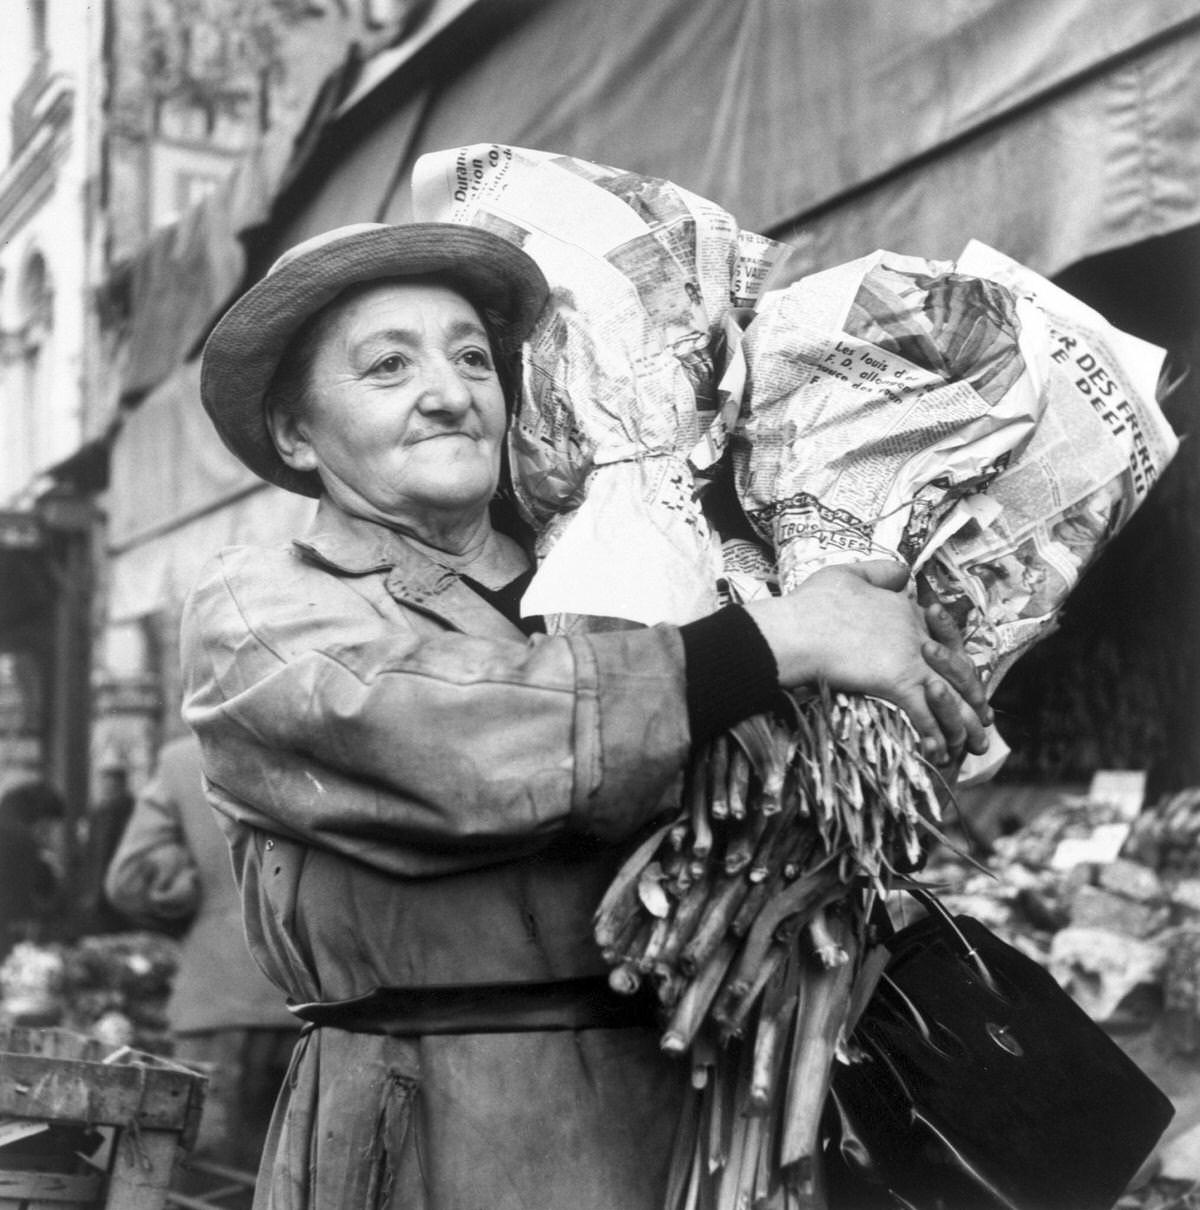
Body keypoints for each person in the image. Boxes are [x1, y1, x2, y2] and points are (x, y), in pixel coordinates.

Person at [181, 221, 991, 1210]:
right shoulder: (263, 607)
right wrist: (781, 643)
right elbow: (451, 740)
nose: (449, 391)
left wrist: (880, 710)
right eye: (388, 365)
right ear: (296, 432)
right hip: (421, 1132)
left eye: (473, 356)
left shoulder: (631, 582)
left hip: (677, 1123)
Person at [104, 734, 297, 1173]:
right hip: (324, 1001)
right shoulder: (327, 744)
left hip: (217, 998)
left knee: (212, 1182)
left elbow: (128, 880)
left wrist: (184, 883)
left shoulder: (187, 758)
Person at [0, 780, 64, 961]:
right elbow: (25, 897)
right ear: (41, 816)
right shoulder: (22, 841)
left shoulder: (7, 826)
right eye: (49, 824)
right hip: (11, 932)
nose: (49, 832)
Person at [77, 763, 136, 934]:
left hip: (113, 889)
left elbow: (102, 853)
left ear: (121, 784)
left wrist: (94, 893)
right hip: (112, 890)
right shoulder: (100, 812)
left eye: (110, 783)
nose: (106, 788)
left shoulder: (113, 812)